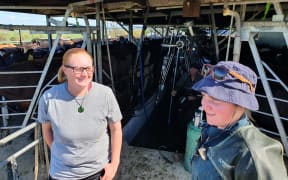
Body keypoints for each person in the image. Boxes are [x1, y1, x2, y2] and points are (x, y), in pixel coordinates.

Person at [190, 61, 288, 179]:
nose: (205, 106)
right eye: (204, 95)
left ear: (241, 105)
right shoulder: (215, 128)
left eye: (215, 99)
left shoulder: (254, 157)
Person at [37, 48, 123, 180]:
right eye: (78, 69)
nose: (84, 74)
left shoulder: (105, 94)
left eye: (88, 68)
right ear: (65, 70)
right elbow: (47, 131)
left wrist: (114, 163)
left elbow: (116, 128)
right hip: (62, 174)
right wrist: (59, 152)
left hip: (99, 172)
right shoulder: (48, 98)